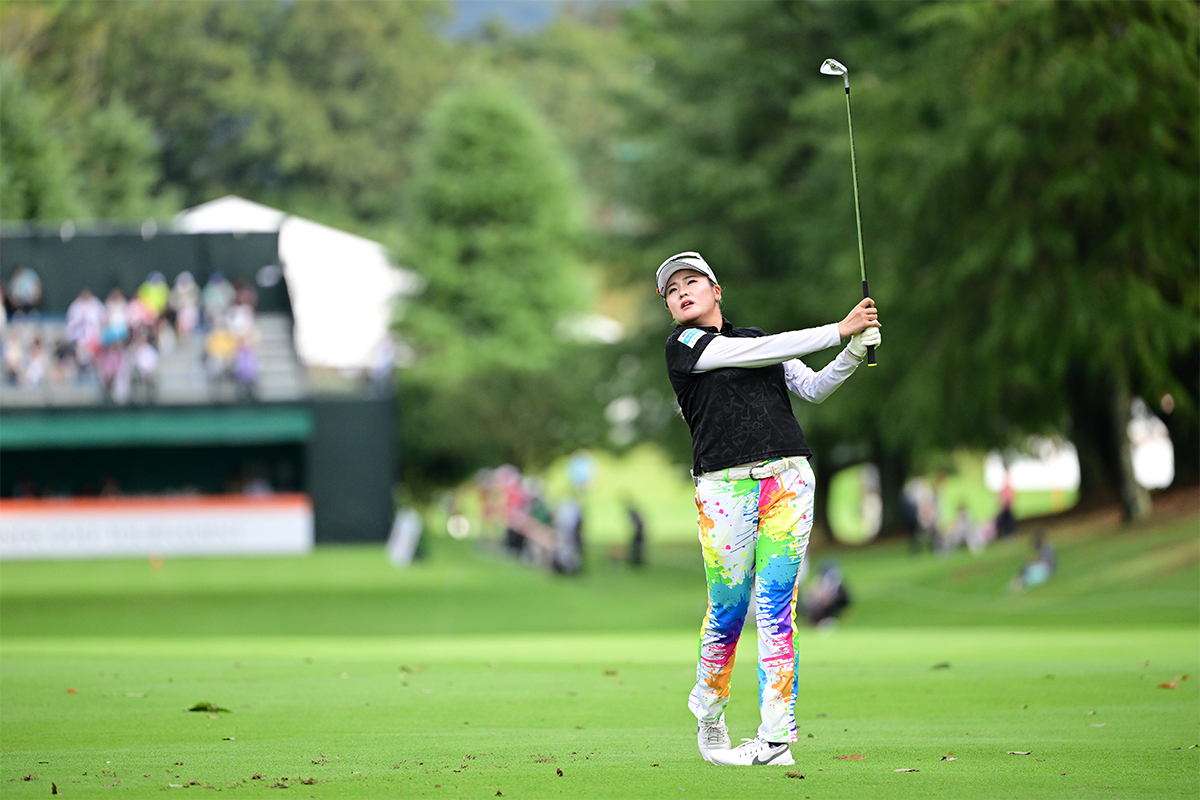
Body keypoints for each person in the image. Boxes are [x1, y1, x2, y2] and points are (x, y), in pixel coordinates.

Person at [657, 251, 881, 768]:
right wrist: (838, 327)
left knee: (777, 605)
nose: (683, 292)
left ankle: (775, 737)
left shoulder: (757, 340)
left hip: (786, 480)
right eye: (672, 290)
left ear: (717, 291)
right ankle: (709, 708)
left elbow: (813, 388)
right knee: (729, 609)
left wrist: (851, 350)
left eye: (693, 282)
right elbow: (758, 352)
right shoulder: (684, 347)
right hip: (722, 490)